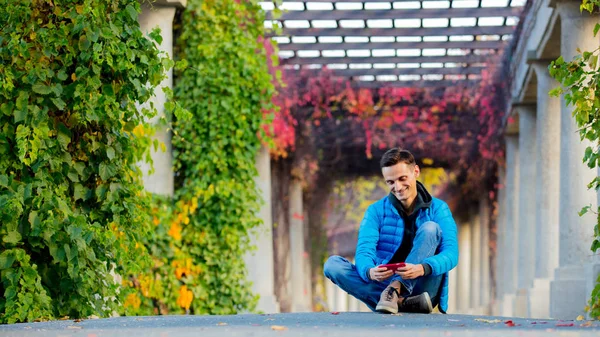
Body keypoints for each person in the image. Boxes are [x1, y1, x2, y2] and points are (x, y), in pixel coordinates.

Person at [323, 148, 459, 314]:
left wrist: (422, 268)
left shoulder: (439, 209)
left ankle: (395, 291)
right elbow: (364, 251)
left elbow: (452, 254)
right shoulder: (375, 211)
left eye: (402, 179)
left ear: (416, 171)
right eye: (391, 182)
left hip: (422, 287)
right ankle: (400, 302)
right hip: (385, 288)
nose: (398, 187)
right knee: (332, 266)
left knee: (430, 228)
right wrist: (370, 271)